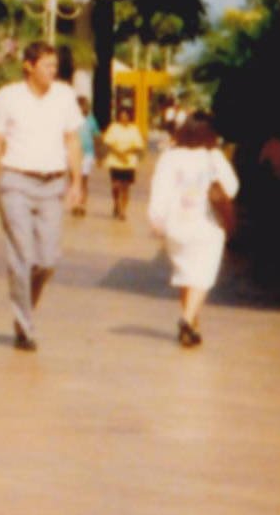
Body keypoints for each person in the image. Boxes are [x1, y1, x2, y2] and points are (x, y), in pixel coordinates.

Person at [0, 42, 86, 350]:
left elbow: (72, 140)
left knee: (47, 260)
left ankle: (24, 309)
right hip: (15, 182)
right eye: (47, 65)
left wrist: (77, 183)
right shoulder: (8, 97)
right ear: (29, 66)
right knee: (22, 255)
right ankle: (24, 326)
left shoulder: (64, 96)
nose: (53, 70)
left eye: (55, 65)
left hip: (52, 185)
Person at [143, 110, 241, 346]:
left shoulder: (169, 157)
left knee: (187, 274)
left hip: (176, 226)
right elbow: (232, 187)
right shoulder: (213, 157)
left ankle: (192, 324)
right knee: (201, 276)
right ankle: (187, 319)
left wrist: (156, 218)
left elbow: (159, 189)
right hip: (206, 226)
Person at [100, 113, 146, 221]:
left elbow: (138, 145)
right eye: (122, 116)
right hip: (115, 161)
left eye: (126, 116)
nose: (124, 118)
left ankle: (123, 211)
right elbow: (108, 143)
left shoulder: (134, 129)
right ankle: (116, 203)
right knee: (116, 185)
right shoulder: (113, 128)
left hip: (129, 162)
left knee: (125, 187)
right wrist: (119, 154)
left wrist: (126, 153)